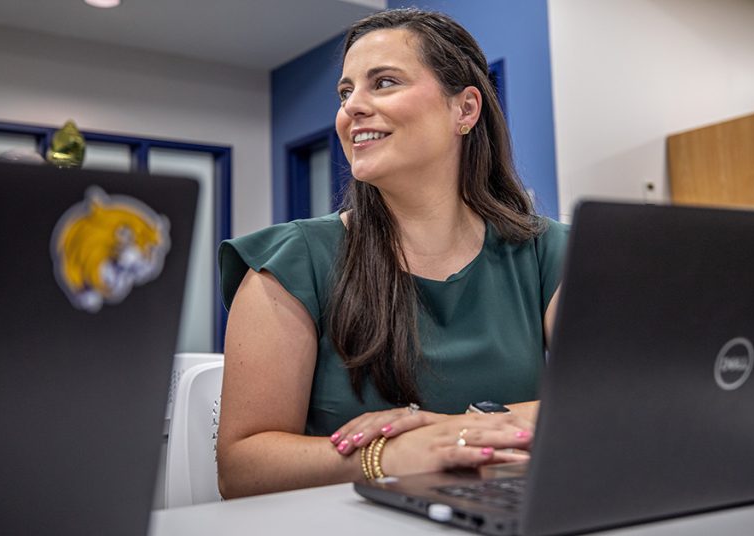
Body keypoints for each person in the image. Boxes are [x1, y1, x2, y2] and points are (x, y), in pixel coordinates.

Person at [216, 8, 569, 498]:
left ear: (465, 110)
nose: (352, 108)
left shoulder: (548, 251)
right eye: (345, 92)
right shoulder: (289, 263)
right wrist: (389, 456)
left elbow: (623, 401)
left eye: (383, 82)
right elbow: (242, 468)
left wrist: (450, 435)